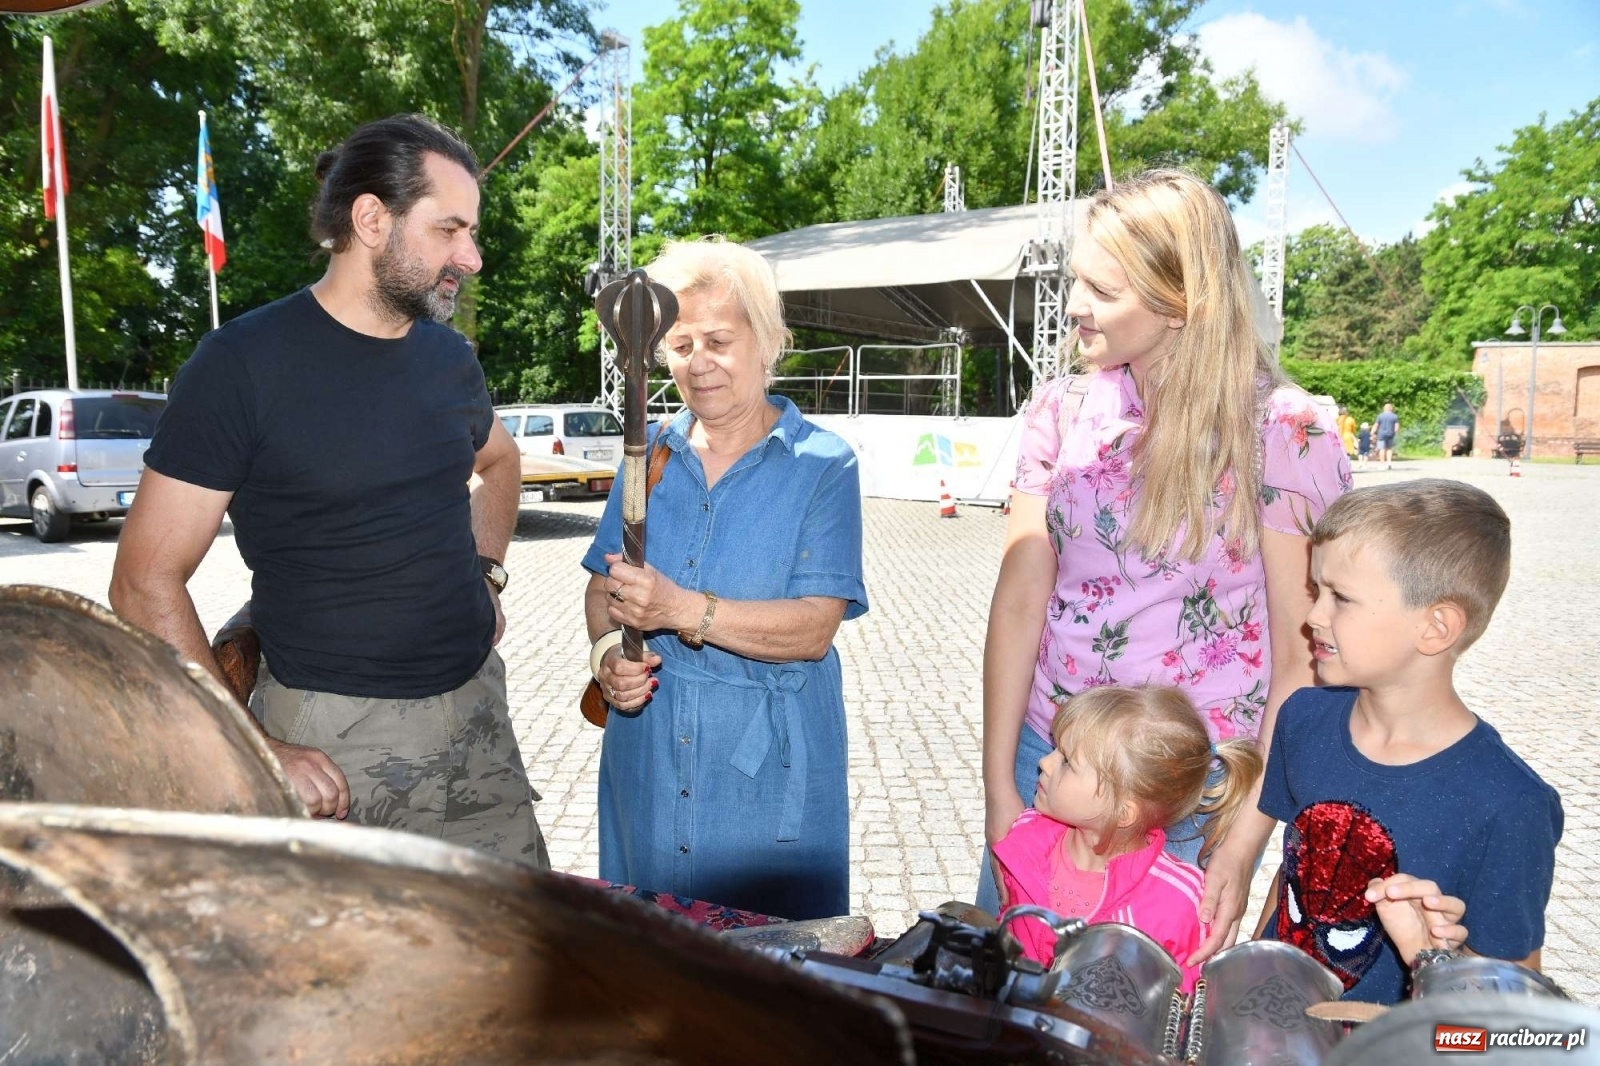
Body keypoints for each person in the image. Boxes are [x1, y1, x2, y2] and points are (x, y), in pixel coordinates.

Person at [110, 114, 548, 868]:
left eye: (470, 233)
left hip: (479, 718)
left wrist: (488, 571)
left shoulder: (449, 360)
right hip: (337, 746)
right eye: (449, 230)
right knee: (356, 981)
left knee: (519, 970)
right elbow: (143, 581)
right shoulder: (241, 365)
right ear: (372, 219)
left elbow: (501, 464)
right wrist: (251, 747)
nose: (471, 257)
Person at [980, 169, 1352, 966]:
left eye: (1101, 289)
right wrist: (1000, 788)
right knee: (1003, 1011)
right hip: (1053, 762)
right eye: (1075, 279)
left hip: (1193, 788)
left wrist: (1243, 843)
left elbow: (1304, 657)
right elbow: (1018, 604)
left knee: (1144, 1034)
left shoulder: (1287, 432)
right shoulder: (1061, 411)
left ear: (1180, 299)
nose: (1074, 305)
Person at [581, 237, 867, 920]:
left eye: (718, 340)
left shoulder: (822, 465)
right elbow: (602, 587)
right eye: (680, 345)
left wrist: (680, 608)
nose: (698, 363)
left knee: (766, 990)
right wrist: (604, 659)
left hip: (766, 780)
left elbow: (814, 628)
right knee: (652, 967)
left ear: (765, 341)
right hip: (648, 758)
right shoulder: (644, 456)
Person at [1256, 479, 1560, 1002]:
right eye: (1315, 590)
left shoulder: (1511, 804)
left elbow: (1514, 1010)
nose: (1312, 617)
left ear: (1436, 627)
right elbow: (1293, 877)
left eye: (1340, 598)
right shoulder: (1305, 719)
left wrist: (1438, 956)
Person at [991, 685, 1262, 993]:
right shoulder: (1026, 838)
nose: (1045, 763)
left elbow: (1181, 1008)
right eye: (1055, 749)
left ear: (1123, 812)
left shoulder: (1178, 904)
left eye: (1067, 761)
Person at [1375, 402, 1400, 469]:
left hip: (1381, 434)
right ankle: (1389, 462)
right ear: (1391, 409)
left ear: (1384, 408)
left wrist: (1372, 432)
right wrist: (1395, 432)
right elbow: (1397, 426)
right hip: (1390, 434)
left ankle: (1382, 463)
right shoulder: (1395, 416)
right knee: (1389, 448)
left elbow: (1376, 425)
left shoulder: (1380, 416)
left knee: (1381, 449)